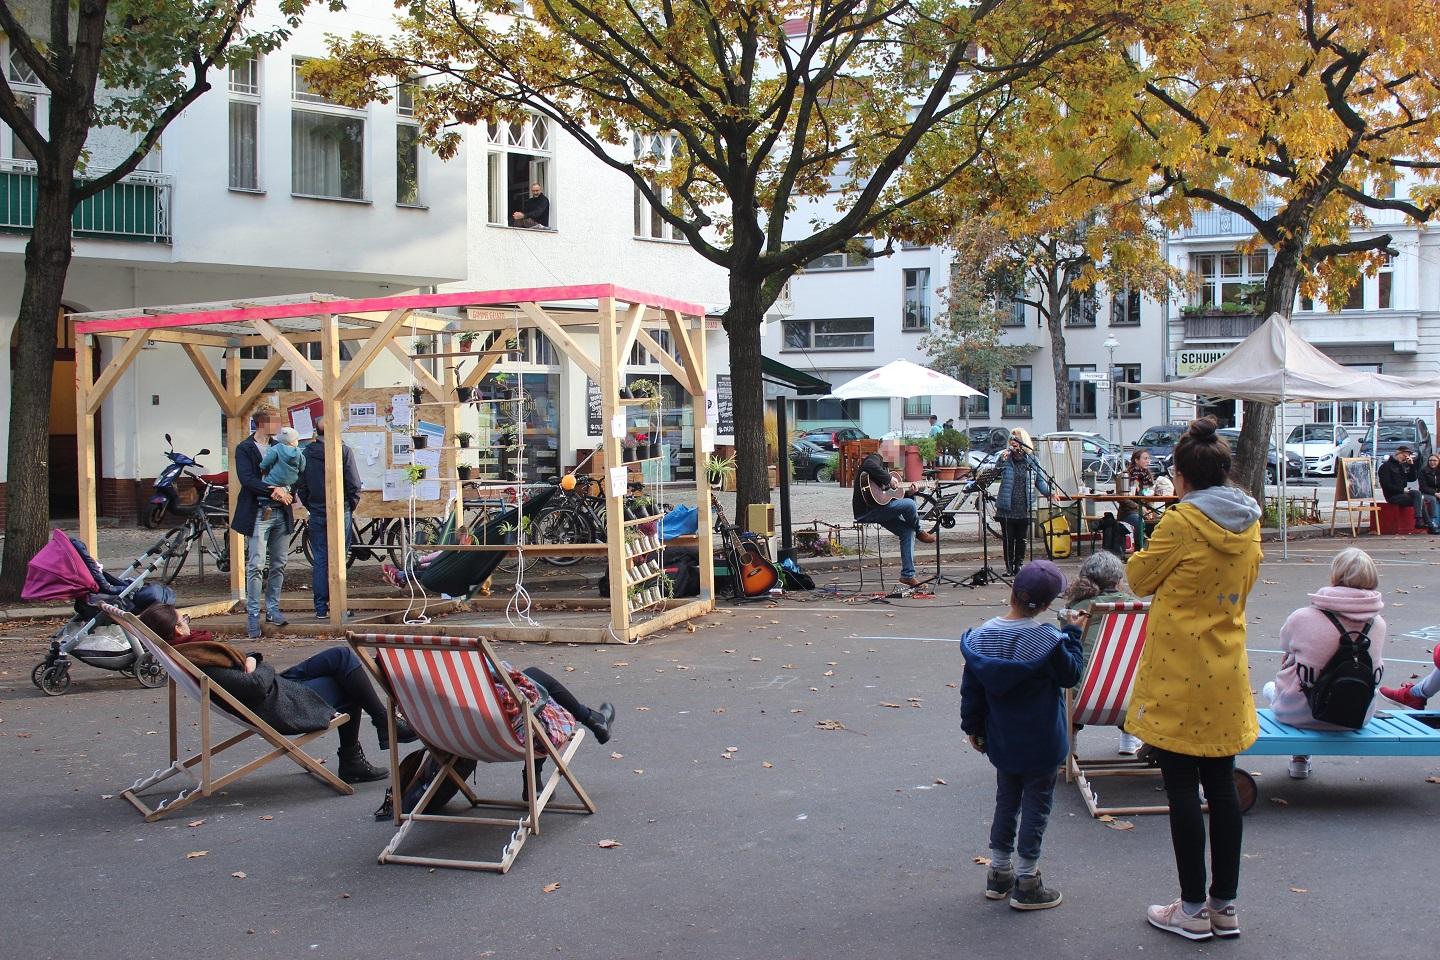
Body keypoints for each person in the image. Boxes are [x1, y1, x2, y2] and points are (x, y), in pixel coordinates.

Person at [1126, 416, 1261, 942]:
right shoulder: (1248, 521)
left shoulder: (1181, 522)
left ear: (1181, 476)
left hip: (1179, 670)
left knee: (1181, 789)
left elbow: (1138, 580)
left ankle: (1189, 909)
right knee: (1222, 788)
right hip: (1227, 667)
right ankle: (1223, 906)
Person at [136, 603, 415, 783]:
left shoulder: (188, 652)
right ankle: (371, 738)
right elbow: (254, 685)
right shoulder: (197, 656)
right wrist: (258, 664)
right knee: (347, 678)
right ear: (177, 629)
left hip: (272, 691)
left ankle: (374, 734)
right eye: (184, 619)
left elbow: (246, 671)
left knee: (341, 658)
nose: (189, 622)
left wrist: (252, 661)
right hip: (275, 703)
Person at [960, 560, 1084, 911]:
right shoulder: (1049, 640)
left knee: (1007, 800)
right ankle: (1027, 881)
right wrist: (1073, 635)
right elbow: (1070, 675)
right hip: (1043, 740)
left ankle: (998, 873)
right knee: (1036, 806)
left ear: (1012, 591)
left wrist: (974, 728)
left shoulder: (981, 637)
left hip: (1002, 738)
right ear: (1046, 606)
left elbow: (972, 691)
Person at [1262, 547, 1387, 779]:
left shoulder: (1303, 617)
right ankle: (1300, 759)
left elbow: (1285, 645)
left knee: (1283, 675)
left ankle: (1300, 758)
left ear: (1335, 577)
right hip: (1357, 714)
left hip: (1299, 712)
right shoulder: (1378, 624)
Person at [1064, 551, 1143, 755]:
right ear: (1118, 580)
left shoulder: (1074, 611)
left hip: (1081, 700)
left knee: (1073, 674)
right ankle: (1129, 736)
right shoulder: (1137, 608)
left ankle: (1069, 741)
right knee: (1128, 671)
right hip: (1132, 702)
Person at [232, 409, 294, 638]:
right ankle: (252, 616)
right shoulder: (245, 448)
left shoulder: (281, 446)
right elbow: (247, 479)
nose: (278, 425)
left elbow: (294, 472)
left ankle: (273, 609)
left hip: (281, 513)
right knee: (256, 564)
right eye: (274, 422)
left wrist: (287, 490)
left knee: (279, 563)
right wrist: (274, 491)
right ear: (260, 424)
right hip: (259, 513)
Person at [296, 418, 361, 621]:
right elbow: (354, 484)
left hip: (317, 512)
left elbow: (302, 485)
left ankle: (321, 608)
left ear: (316, 431)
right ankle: (339, 606)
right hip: (341, 511)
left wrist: (312, 506)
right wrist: (348, 506)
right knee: (339, 558)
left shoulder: (306, 453)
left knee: (320, 559)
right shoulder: (343, 451)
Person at [852, 451, 936, 589]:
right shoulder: (876, 458)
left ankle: (908, 576)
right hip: (867, 510)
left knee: (907, 531)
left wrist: (910, 493)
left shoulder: (889, 471)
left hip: (880, 508)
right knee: (910, 506)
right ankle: (919, 530)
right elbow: (868, 464)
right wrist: (888, 480)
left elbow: (893, 497)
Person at [993, 429, 1051, 576]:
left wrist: (1050, 493)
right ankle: (1009, 567)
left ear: (1023, 441)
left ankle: (1019, 565)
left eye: (1016, 438)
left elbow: (1039, 481)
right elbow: (994, 474)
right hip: (1007, 506)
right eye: (1011, 438)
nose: (1013, 440)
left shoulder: (1031, 460)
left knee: (1022, 539)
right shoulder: (1005, 458)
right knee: (1008, 539)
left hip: (1025, 506)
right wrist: (1002, 460)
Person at [1377, 445, 1425, 530]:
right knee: (1419, 500)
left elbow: (1412, 478)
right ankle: (1423, 522)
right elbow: (1386, 484)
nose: (1404, 458)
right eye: (1404, 456)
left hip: (1402, 493)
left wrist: (1411, 466)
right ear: (1397, 453)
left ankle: (1420, 520)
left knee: (1417, 494)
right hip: (1392, 496)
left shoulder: (1402, 466)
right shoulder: (1386, 466)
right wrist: (1402, 490)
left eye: (1407, 457)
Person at [1115, 450, 1153, 550]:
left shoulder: (1147, 476)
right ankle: (1141, 548)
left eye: (1148, 459)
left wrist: (1150, 510)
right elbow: (1122, 498)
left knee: (1161, 520)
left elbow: (1150, 496)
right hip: (1128, 513)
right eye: (1145, 458)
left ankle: (1154, 547)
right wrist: (1138, 507)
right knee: (1138, 520)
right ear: (1136, 460)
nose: (1148, 461)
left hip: (1145, 511)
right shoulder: (1124, 477)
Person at [259, 426, 306, 491]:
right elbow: (302, 468)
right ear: (292, 442)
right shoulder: (298, 452)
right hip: (291, 481)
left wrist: (263, 467)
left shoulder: (275, 449)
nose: (297, 441)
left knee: (264, 485)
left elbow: (267, 461)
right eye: (296, 439)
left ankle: (263, 499)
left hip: (275, 480)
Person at [1419, 453, 1440, 534]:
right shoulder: (1423, 471)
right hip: (1427, 493)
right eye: (1430, 460)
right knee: (1433, 499)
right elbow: (1423, 487)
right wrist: (1435, 493)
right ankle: (1434, 523)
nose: (1432, 462)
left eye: (1435, 460)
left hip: (1438, 493)